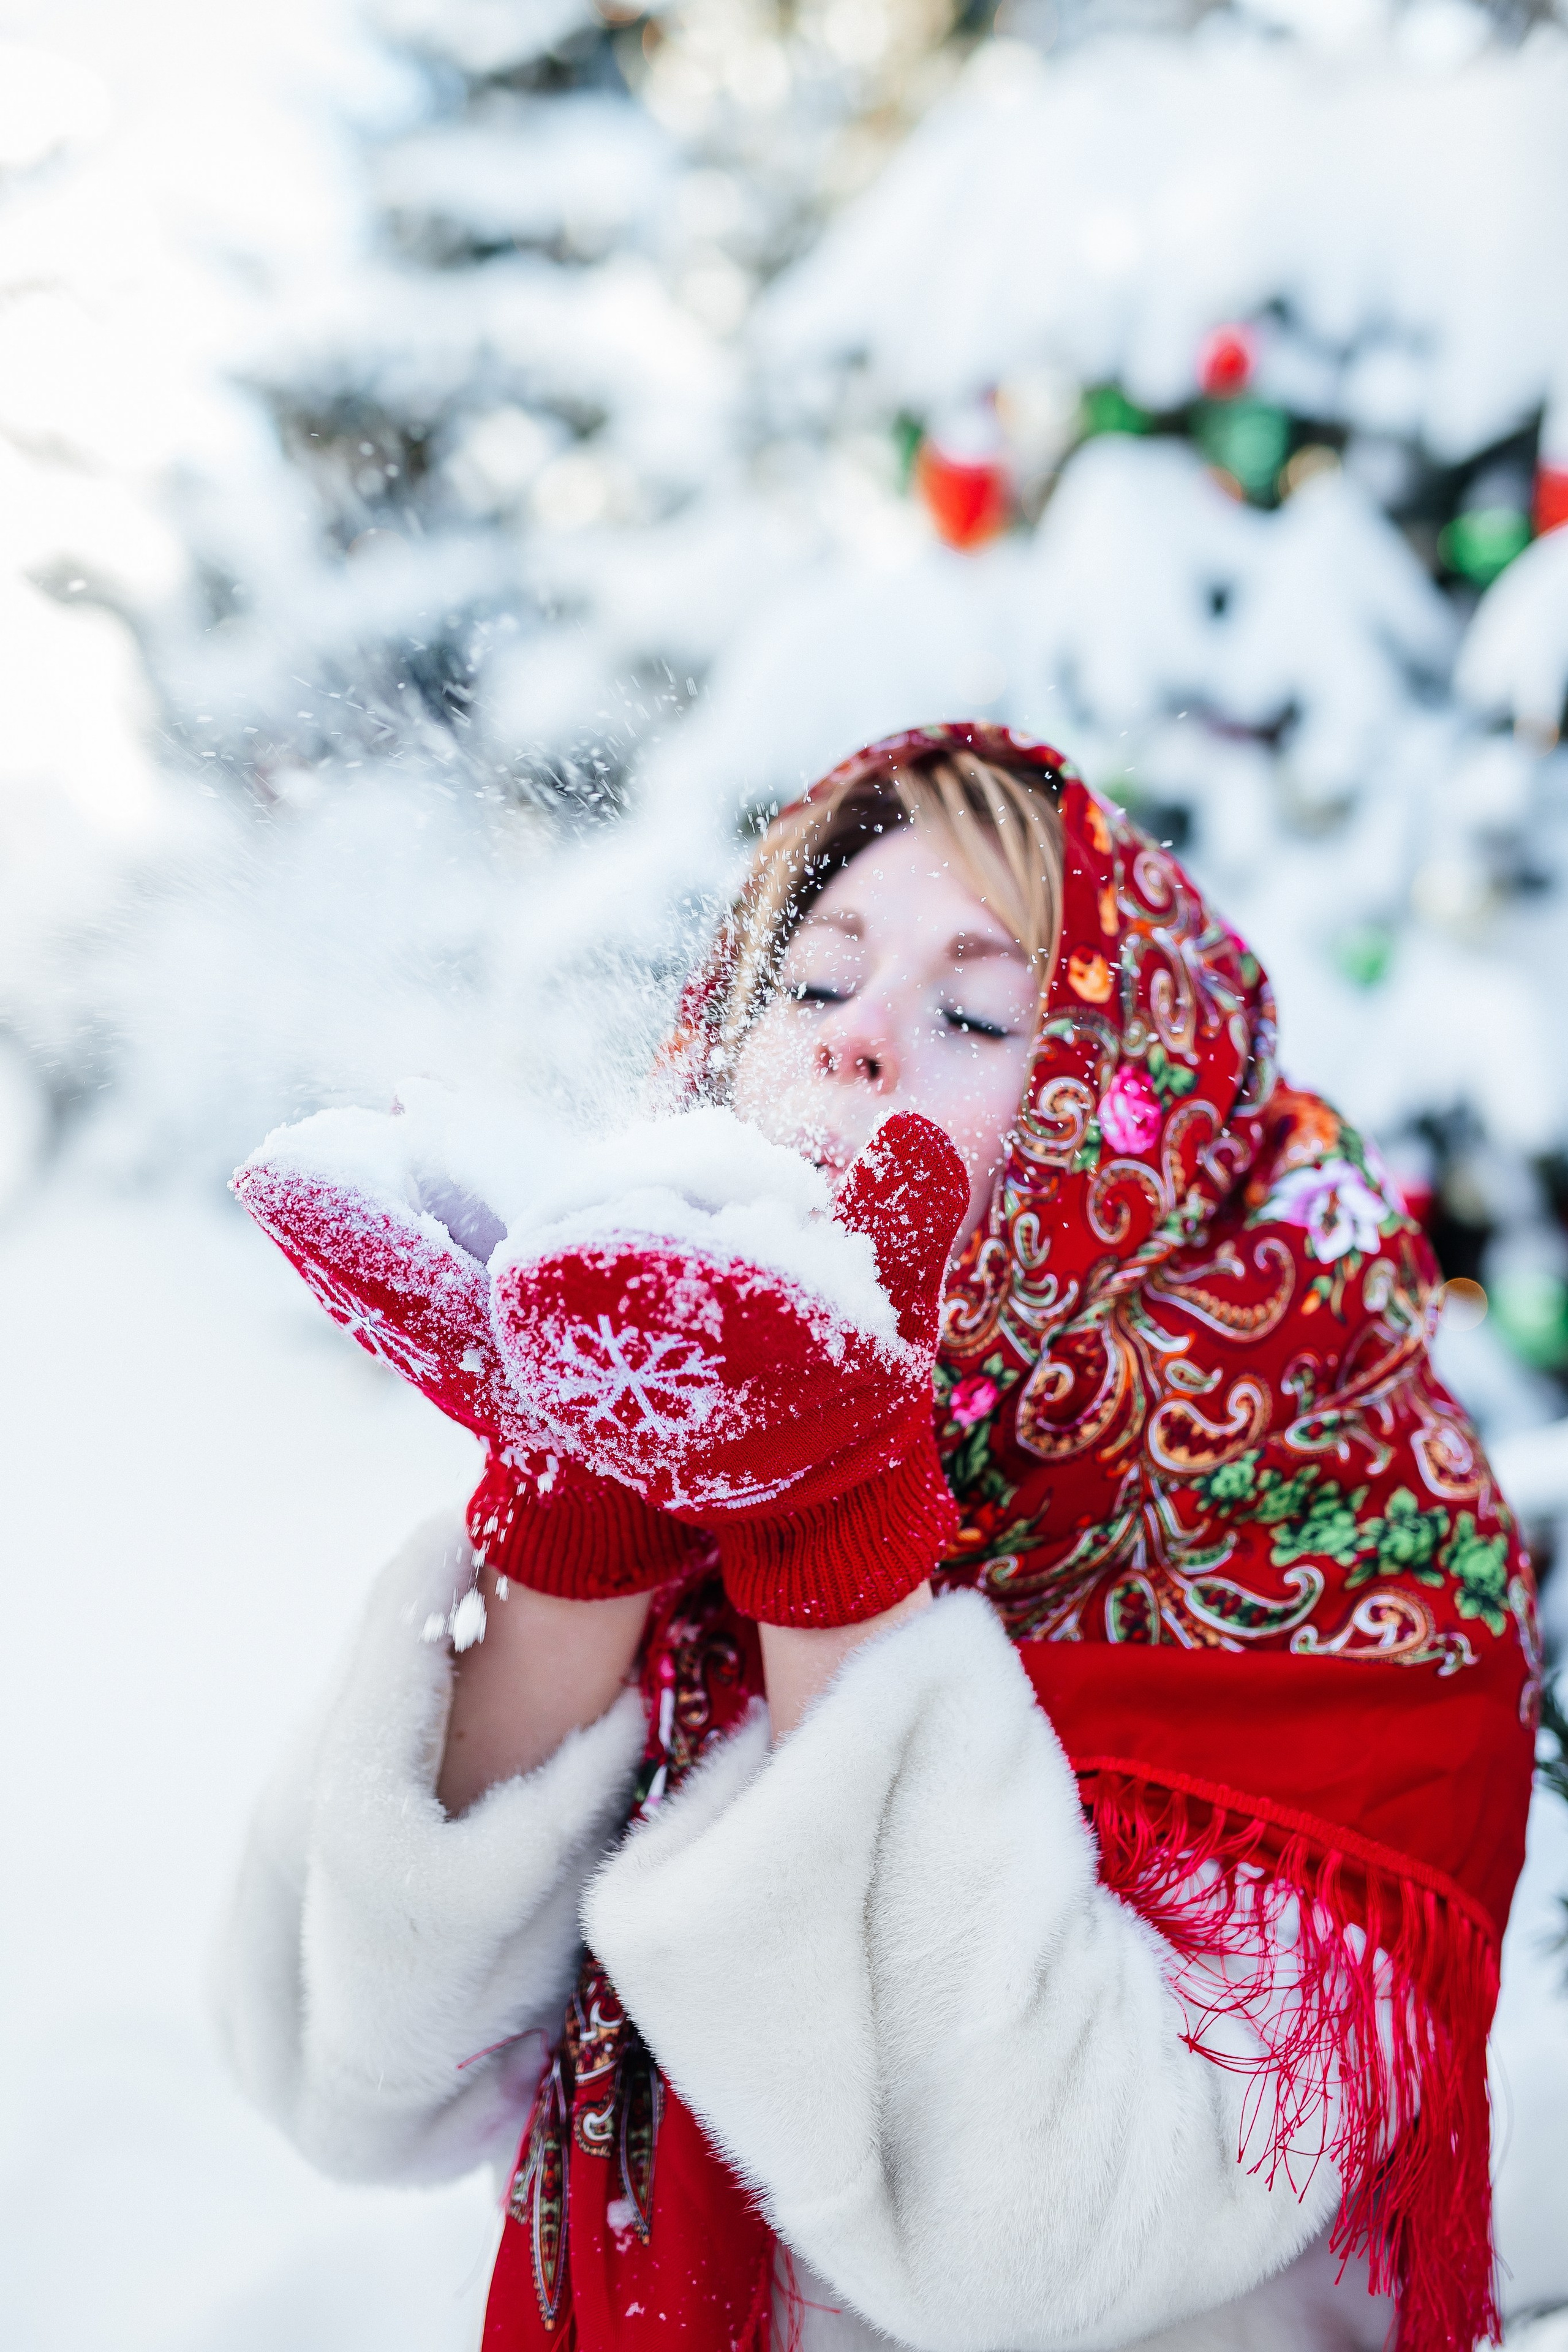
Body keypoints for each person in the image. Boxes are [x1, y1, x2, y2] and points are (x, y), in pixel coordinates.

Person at [218, 723, 1539, 2352]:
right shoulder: (682, 1435)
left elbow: (1039, 2248)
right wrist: (574, 1521)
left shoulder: (1344, 1556)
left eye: (975, 1015)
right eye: (816, 983)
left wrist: (841, 1546)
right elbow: (352, 2087)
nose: (853, 1044)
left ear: (1131, 1136)